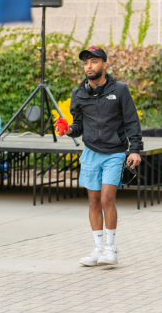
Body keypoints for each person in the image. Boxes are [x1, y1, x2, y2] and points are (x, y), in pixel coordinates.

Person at [57, 46, 143, 266]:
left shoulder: (120, 90)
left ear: (104, 64)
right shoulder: (79, 93)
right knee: (94, 201)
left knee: (107, 198)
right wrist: (68, 131)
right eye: (86, 63)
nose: (89, 66)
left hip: (114, 153)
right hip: (91, 152)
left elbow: (132, 121)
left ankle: (111, 249)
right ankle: (97, 250)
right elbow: (78, 126)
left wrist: (135, 149)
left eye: (94, 62)